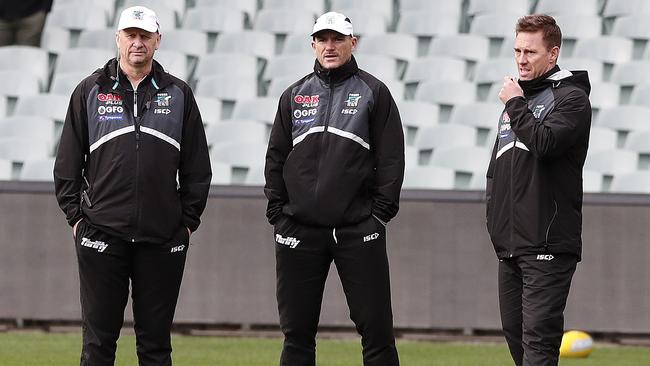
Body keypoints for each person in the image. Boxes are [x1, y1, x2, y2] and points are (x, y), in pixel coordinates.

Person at [53, 6, 211, 365]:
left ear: (158, 40)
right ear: (118, 39)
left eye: (144, 36)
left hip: (163, 236)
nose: (137, 42)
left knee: (155, 346)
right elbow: (66, 166)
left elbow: (197, 169)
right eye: (130, 35)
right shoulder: (89, 90)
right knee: (97, 344)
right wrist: (77, 220)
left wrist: (185, 224)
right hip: (100, 233)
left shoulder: (180, 94)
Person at [264, 11, 404, 366]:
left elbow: (391, 160)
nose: (330, 46)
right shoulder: (294, 95)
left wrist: (377, 216)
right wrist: (279, 214)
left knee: (377, 332)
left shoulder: (374, 92)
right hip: (299, 229)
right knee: (296, 334)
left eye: (338, 39)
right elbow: (276, 158)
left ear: (352, 43)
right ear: (312, 45)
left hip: (358, 229)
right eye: (323, 39)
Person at [486, 14, 592, 366]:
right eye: (517, 50)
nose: (520, 59)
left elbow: (545, 144)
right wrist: (496, 228)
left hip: (546, 244)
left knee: (538, 347)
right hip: (510, 246)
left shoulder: (572, 100)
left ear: (553, 54)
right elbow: (495, 174)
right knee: (519, 346)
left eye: (530, 51)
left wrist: (515, 104)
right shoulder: (515, 105)